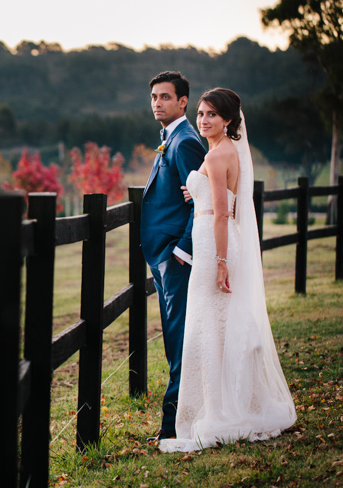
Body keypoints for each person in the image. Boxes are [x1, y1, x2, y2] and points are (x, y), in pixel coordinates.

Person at [158, 88, 297, 453]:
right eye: (201, 114)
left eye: (212, 116)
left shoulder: (219, 155)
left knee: (209, 326)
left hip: (213, 245)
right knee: (217, 325)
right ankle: (227, 402)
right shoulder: (224, 152)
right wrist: (197, 191)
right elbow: (221, 198)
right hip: (216, 240)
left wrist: (220, 262)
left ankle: (217, 410)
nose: (203, 121)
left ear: (229, 121)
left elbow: (223, 213)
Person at [141, 71, 207, 441]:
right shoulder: (170, 138)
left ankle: (174, 427)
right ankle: (181, 420)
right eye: (153, 97)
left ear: (183, 102)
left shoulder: (183, 142)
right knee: (174, 337)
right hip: (167, 255)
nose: (157, 103)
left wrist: (183, 249)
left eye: (165, 97)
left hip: (176, 256)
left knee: (179, 340)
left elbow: (203, 200)